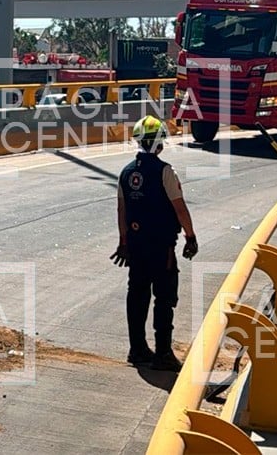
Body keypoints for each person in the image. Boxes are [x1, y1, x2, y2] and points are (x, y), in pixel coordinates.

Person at [111, 116, 198, 371]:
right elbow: (180, 209)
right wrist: (190, 236)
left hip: (136, 246)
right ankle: (163, 353)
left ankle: (137, 349)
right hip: (161, 247)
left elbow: (121, 210)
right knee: (164, 297)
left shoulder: (126, 173)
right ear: (160, 143)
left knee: (137, 295)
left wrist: (123, 242)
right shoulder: (165, 172)